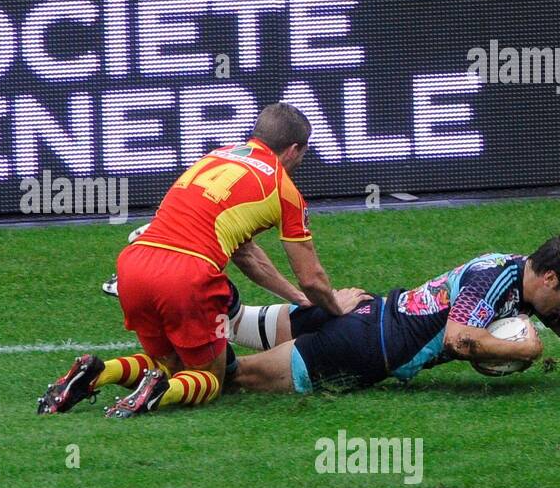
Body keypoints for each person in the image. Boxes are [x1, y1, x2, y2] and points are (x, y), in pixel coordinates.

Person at [37, 102, 370, 418]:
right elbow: (311, 277)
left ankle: (99, 371)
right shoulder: (284, 190)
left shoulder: (216, 156)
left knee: (164, 361)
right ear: (295, 149)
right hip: (187, 274)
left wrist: (298, 301)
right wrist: (334, 307)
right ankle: (160, 393)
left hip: (133, 264)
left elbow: (247, 254)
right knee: (213, 378)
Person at [231, 229, 560, 394]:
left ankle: (188, 301)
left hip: (371, 312)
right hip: (367, 348)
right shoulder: (494, 280)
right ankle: (161, 385)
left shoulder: (521, 280)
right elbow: (460, 340)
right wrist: (522, 347)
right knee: (238, 377)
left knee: (229, 322)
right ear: (551, 280)